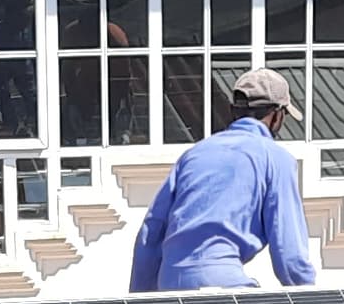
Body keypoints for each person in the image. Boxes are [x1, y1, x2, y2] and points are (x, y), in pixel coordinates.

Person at [130, 68, 319, 292]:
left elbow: (150, 234)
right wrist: (311, 302)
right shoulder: (277, 159)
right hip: (221, 282)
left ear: (232, 110)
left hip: (170, 282)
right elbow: (290, 254)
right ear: (277, 115)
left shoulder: (195, 154)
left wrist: (141, 303)